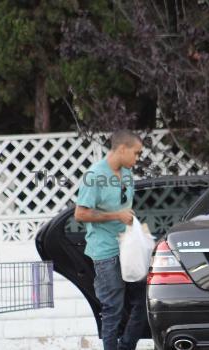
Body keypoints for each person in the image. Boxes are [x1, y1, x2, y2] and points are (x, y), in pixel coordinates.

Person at [74, 130, 145, 350]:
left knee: (142, 302)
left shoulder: (127, 174)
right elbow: (80, 214)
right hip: (105, 253)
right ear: (122, 149)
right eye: (136, 153)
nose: (138, 158)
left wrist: (133, 225)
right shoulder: (94, 175)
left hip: (128, 248)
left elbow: (124, 206)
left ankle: (126, 346)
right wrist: (116, 216)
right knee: (112, 309)